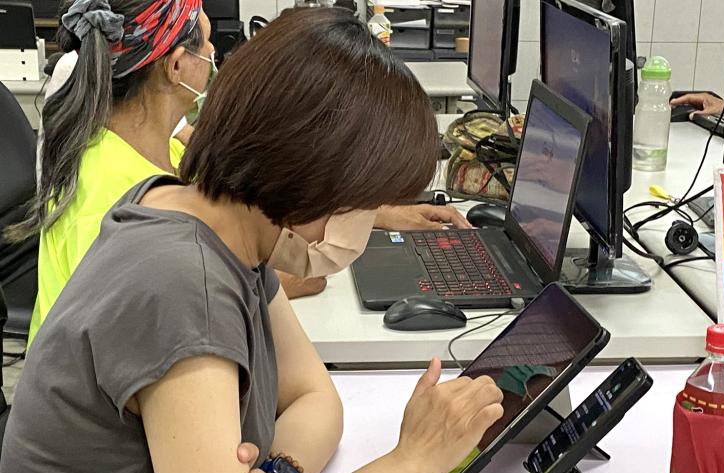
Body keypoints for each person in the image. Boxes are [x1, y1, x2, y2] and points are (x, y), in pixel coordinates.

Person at [0, 7, 504, 473]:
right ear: (313, 183)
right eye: (366, 203)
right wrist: (412, 461)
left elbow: (315, 396)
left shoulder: (218, 221)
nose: (367, 223)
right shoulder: (181, 280)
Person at [11, 0, 469, 346]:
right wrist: (290, 271)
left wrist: (374, 211)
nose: (214, 52)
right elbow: (177, 299)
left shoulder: (156, 144)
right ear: (176, 65)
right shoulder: (118, 198)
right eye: (206, 40)